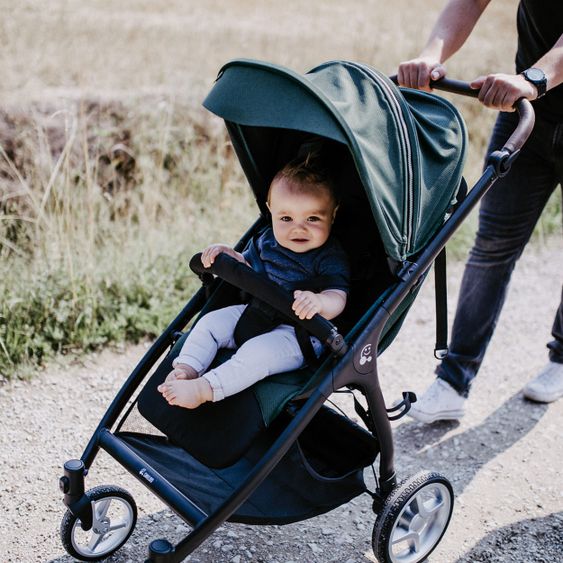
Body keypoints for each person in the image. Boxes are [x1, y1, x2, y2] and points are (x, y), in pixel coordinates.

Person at [397, 0, 563, 422]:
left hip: (534, 89)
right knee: (492, 243)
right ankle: (454, 381)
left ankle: (562, 356)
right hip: (532, 118)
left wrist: (533, 79)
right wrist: (432, 55)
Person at [158, 153, 350, 409]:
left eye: (313, 219)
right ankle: (187, 368)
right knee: (210, 323)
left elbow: (338, 296)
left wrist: (319, 302)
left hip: (298, 333)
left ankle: (206, 389)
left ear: (333, 214)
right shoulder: (266, 240)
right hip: (255, 312)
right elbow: (247, 268)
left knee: (257, 355)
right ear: (270, 211)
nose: (298, 228)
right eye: (286, 218)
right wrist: (228, 255)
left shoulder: (329, 255)